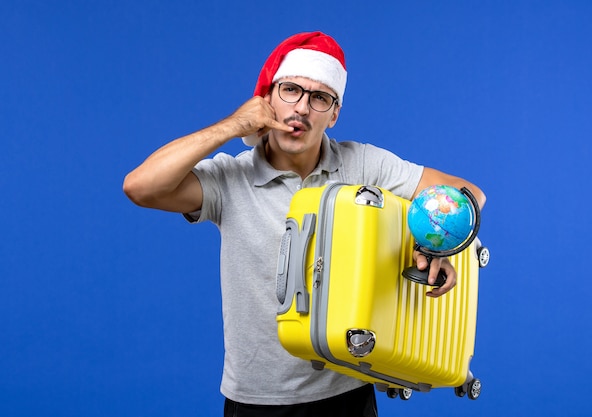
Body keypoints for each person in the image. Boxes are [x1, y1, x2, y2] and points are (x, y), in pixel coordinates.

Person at [123, 31, 486, 417]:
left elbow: (469, 194)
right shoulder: (229, 179)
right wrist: (233, 124)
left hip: (347, 385)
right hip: (257, 399)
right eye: (291, 90)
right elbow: (140, 187)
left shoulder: (362, 163)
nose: (302, 109)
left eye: (319, 98)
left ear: (334, 113)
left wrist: (434, 243)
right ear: (268, 99)